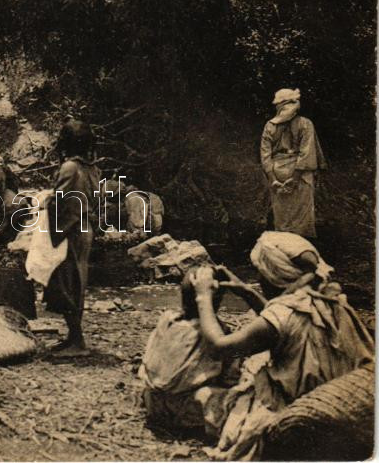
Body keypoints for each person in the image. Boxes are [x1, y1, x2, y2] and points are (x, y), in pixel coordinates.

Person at [190, 231, 373, 460]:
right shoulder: (330, 299)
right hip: (339, 399)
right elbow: (284, 325)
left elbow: (220, 348)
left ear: (271, 275)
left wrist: (203, 297)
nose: (259, 279)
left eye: (260, 273)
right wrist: (247, 292)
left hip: (299, 411)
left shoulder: (282, 315)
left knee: (203, 397)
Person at [139, 266, 241, 433]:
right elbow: (230, 378)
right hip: (187, 410)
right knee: (240, 395)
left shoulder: (168, 320)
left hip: (154, 404)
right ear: (217, 300)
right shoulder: (218, 333)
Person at [44, 120, 101, 355]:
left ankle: (77, 342)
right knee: (77, 281)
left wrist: (46, 204)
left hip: (71, 229)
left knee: (66, 282)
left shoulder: (69, 167)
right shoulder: (92, 169)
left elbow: (61, 201)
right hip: (84, 227)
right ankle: (73, 337)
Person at [260, 88, 326, 238]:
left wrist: (273, 179)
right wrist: (294, 179)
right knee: (300, 217)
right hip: (300, 174)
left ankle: (286, 246)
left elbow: (265, 156)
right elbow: (306, 153)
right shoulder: (305, 123)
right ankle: (299, 246)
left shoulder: (270, 126)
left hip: (278, 172)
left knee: (283, 216)